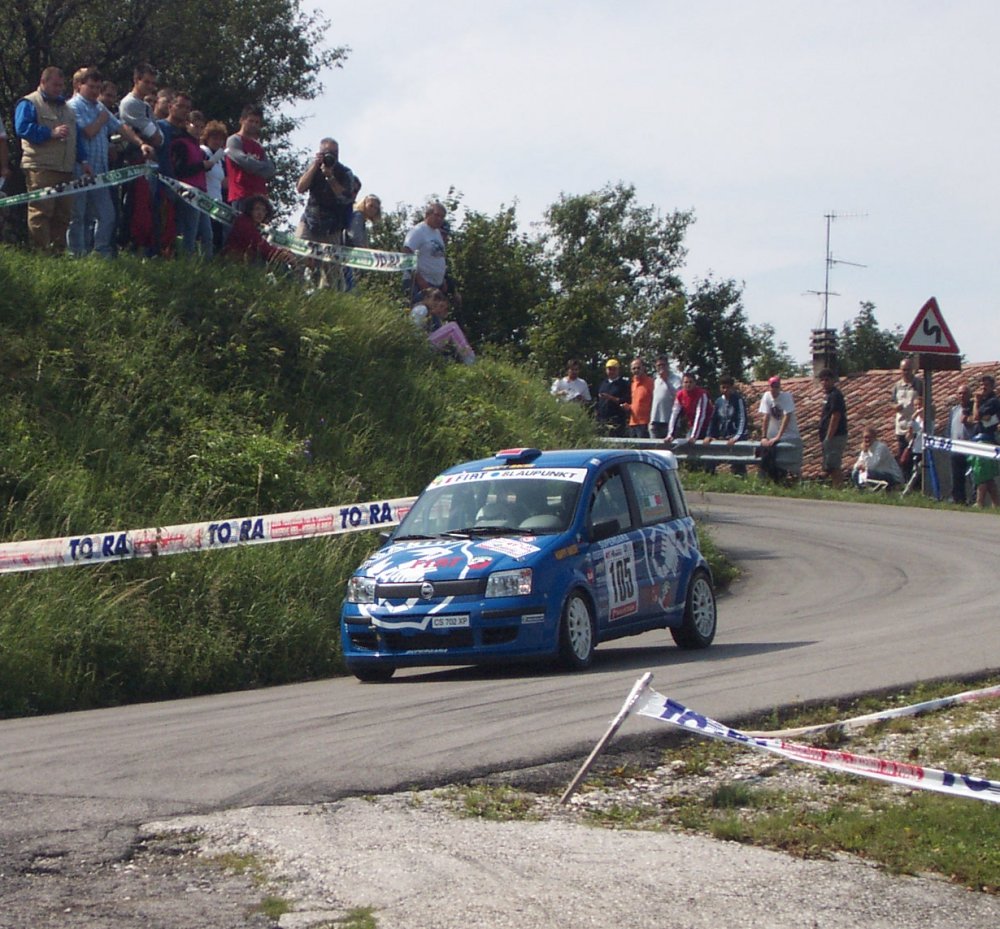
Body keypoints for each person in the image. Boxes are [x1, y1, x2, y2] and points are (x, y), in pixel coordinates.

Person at [67, 67, 153, 258]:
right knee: (78, 216)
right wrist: (102, 119)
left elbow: (120, 127)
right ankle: (76, 255)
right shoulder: (72, 106)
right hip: (80, 170)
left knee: (107, 215)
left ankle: (100, 253)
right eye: (91, 87)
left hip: (100, 172)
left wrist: (141, 144)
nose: (95, 91)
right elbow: (87, 132)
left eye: (98, 87)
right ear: (79, 86)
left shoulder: (99, 108)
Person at [14, 66, 92, 251]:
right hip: (41, 167)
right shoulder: (29, 103)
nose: (58, 89)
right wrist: (50, 133)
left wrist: (84, 161)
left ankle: (58, 256)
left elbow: (76, 137)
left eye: (61, 86)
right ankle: (42, 255)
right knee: (41, 212)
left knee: (63, 215)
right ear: (43, 82)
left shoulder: (67, 108)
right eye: (55, 85)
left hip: (65, 169)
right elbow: (22, 128)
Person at [167, 93, 214, 257]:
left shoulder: (197, 147)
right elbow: (180, 170)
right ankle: (185, 261)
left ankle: (205, 264)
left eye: (202, 127)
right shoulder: (180, 143)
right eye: (196, 126)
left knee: (207, 234)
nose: (198, 130)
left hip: (201, 193)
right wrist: (201, 165)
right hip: (188, 191)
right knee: (189, 231)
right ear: (187, 124)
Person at [296, 137, 355, 245]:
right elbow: (300, 188)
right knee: (298, 253)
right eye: (328, 153)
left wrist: (331, 177)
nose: (331, 156)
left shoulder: (345, 173)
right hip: (310, 220)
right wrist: (315, 165)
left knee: (329, 261)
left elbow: (346, 198)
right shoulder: (313, 168)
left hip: (333, 227)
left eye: (335, 153)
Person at [225, 105, 276, 213]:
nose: (254, 125)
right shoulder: (234, 140)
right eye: (251, 121)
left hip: (259, 197)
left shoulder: (258, 146)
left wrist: (254, 164)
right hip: (241, 195)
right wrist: (259, 165)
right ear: (242, 120)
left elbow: (270, 170)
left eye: (257, 122)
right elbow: (245, 162)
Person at [410, 288, 475, 364]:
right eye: (434, 300)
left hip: (423, 346)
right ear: (426, 298)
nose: (436, 303)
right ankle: (470, 359)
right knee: (452, 327)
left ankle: (466, 357)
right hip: (420, 346)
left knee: (450, 331)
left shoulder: (429, 313)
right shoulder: (422, 309)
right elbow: (414, 330)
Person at [222, 195, 293, 265]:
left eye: (264, 210)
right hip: (234, 261)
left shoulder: (256, 226)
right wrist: (281, 253)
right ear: (250, 210)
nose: (260, 213)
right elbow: (259, 244)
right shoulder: (243, 222)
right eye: (257, 209)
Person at [758, 375, 801, 481]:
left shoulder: (787, 396)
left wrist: (778, 436)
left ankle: (778, 477)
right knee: (765, 451)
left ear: (780, 387)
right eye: (772, 386)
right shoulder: (767, 396)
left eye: (777, 386)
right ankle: (766, 477)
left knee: (778, 454)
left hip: (788, 435)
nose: (774, 389)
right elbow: (766, 417)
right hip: (772, 435)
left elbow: (787, 416)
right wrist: (764, 436)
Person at [704, 373, 749, 475]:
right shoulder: (719, 402)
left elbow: (742, 419)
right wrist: (709, 435)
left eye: (728, 388)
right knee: (710, 459)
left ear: (732, 388)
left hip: (735, 437)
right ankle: (709, 478)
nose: (725, 390)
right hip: (722, 436)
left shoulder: (738, 400)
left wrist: (736, 437)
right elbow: (713, 420)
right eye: (723, 387)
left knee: (738, 464)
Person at [403, 201, 448, 303]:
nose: (440, 219)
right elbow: (406, 253)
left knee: (432, 317)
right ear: (428, 214)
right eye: (437, 215)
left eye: (442, 217)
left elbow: (438, 257)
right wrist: (419, 279)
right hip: (419, 284)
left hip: (435, 284)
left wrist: (443, 279)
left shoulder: (437, 233)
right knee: (419, 314)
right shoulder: (418, 231)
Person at [970, 374, 1000, 508]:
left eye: (986, 385)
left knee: (981, 472)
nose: (983, 388)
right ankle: (997, 504)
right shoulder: (984, 401)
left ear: (992, 386)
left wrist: (976, 402)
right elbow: (974, 418)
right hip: (979, 438)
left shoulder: (992, 401)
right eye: (982, 385)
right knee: (987, 476)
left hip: (986, 439)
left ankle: (979, 502)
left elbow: (976, 417)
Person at [891, 358, 923, 482]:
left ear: (913, 370)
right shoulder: (897, 386)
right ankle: (906, 483)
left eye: (908, 370)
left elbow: (924, 401)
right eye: (904, 370)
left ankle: (917, 486)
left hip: (916, 427)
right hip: (901, 427)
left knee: (916, 458)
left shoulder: (919, 384)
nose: (906, 372)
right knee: (903, 458)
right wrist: (895, 407)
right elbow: (891, 402)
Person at [817, 368, 848, 489]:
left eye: (827, 380)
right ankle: (834, 488)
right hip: (828, 436)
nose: (824, 382)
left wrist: (829, 437)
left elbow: (836, 416)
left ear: (832, 381)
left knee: (834, 466)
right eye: (822, 380)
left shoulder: (836, 395)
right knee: (828, 466)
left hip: (835, 436)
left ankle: (838, 489)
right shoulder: (827, 396)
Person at [946, 385, 973, 505]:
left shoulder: (973, 409)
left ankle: (974, 500)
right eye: (960, 393)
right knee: (957, 476)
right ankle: (958, 499)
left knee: (973, 476)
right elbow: (949, 428)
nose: (962, 396)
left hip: (971, 447)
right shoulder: (954, 410)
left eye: (965, 393)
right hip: (956, 447)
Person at [666, 372, 711, 443]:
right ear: (682, 383)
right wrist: (670, 434)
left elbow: (700, 416)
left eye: (690, 382)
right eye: (686, 382)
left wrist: (694, 436)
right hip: (692, 425)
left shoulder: (701, 394)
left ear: (695, 383)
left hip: (707, 426)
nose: (688, 384)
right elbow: (674, 414)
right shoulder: (680, 395)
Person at [595, 359, 631, 436]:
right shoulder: (603, 383)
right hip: (602, 419)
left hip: (617, 420)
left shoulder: (624, 384)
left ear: (618, 370)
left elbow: (626, 400)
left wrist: (611, 398)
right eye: (609, 369)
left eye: (614, 369)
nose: (611, 371)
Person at [622, 359, 654, 438]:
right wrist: (628, 407)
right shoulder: (632, 383)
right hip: (633, 422)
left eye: (638, 368)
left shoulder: (650, 382)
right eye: (634, 368)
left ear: (643, 368)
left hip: (645, 422)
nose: (636, 370)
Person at [649, 355, 676, 440]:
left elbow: (677, 396)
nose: (661, 367)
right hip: (655, 420)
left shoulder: (676, 379)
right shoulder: (655, 380)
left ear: (667, 366)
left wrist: (666, 380)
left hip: (669, 420)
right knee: (655, 447)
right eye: (658, 365)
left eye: (663, 365)